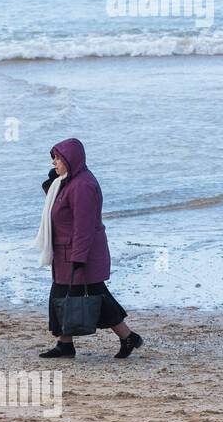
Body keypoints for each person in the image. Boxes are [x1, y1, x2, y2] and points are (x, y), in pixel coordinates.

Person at [33, 137, 143, 359]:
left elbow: (84, 226)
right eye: (53, 158)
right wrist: (52, 181)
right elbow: (58, 205)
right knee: (68, 296)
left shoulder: (83, 185)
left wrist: (79, 257)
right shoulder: (68, 181)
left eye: (57, 159)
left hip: (80, 253)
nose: (54, 162)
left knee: (91, 297)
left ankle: (126, 337)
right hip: (66, 252)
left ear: (70, 159)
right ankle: (66, 344)